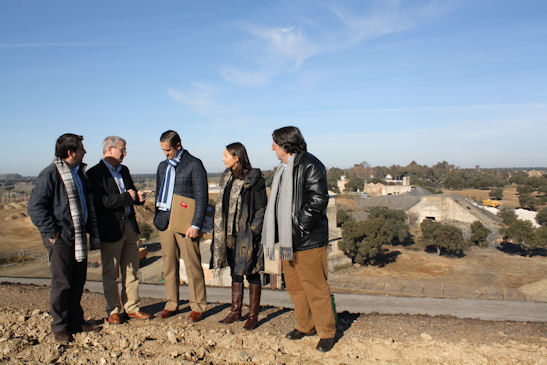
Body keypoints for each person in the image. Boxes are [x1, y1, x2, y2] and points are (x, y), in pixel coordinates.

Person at [262, 126, 336, 352]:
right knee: (295, 287)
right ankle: (306, 325)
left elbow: (317, 200)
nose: (272, 147)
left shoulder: (311, 165)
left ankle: (327, 332)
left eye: (275, 143)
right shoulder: (282, 169)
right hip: (287, 242)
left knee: (316, 287)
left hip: (307, 239)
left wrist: (299, 227)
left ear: (286, 144)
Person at [28, 133, 101, 343]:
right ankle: (59, 327)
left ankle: (76, 322)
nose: (84, 151)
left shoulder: (78, 173)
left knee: (78, 281)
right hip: (61, 239)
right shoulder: (51, 174)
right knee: (62, 284)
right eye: (81, 148)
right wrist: (52, 232)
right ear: (71, 152)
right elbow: (35, 207)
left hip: (78, 238)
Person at [87, 136, 152, 324]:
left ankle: (132, 308)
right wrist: (126, 197)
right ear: (109, 149)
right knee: (111, 273)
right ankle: (113, 310)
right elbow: (101, 202)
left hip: (130, 228)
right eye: (122, 149)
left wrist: (138, 198)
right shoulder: (95, 174)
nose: (125, 153)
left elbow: (130, 194)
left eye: (125, 149)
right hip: (111, 230)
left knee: (131, 272)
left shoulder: (124, 171)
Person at [210, 142, 267, 330]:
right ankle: (235, 312)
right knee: (235, 272)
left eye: (226, 155)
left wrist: (253, 231)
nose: (222, 158)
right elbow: (223, 205)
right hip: (229, 234)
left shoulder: (254, 179)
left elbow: (260, 208)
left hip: (247, 234)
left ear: (236, 157)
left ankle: (253, 315)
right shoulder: (227, 177)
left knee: (251, 272)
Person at [154, 130, 208, 321]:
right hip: (165, 223)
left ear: (178, 145)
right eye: (163, 150)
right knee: (169, 265)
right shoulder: (162, 166)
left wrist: (196, 225)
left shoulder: (194, 164)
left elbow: (202, 198)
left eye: (168, 150)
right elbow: (158, 192)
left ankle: (198, 306)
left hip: (187, 225)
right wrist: (157, 218)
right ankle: (171, 304)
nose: (166, 154)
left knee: (193, 267)